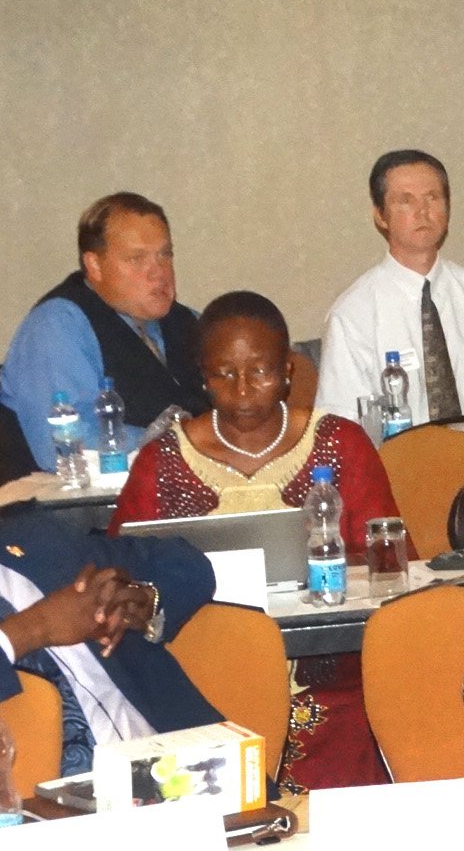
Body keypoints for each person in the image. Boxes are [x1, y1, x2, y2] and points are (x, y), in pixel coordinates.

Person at [111, 290, 397, 792]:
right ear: (202, 374)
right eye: (224, 374)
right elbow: (121, 577)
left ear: (288, 370)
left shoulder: (342, 443)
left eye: (261, 372)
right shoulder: (161, 462)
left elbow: (391, 566)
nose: (242, 391)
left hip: (331, 686)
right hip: (199, 683)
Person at [315, 149, 464, 427]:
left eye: (432, 198)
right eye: (405, 201)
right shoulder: (354, 313)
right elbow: (343, 422)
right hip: (398, 467)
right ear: (380, 216)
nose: (423, 212)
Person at [0, 514, 221, 777]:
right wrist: (32, 628)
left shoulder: (35, 539)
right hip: (40, 809)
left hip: (183, 776)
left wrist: (145, 598)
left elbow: (188, 565)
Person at [1, 192, 208, 472]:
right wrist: (184, 443)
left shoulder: (188, 322)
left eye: (165, 254)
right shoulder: (58, 324)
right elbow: (65, 447)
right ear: (94, 266)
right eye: (137, 258)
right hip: (61, 507)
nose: (159, 272)